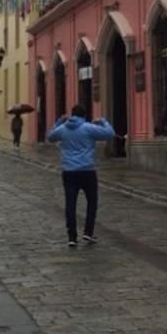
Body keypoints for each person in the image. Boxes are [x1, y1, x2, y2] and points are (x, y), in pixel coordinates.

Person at [47, 104, 115, 247]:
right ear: (84, 115)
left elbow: (50, 137)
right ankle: (88, 232)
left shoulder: (63, 128)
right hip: (87, 171)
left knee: (70, 204)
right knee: (92, 202)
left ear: (72, 114)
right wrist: (103, 121)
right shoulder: (88, 128)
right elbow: (110, 134)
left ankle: (72, 237)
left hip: (69, 172)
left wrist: (59, 121)